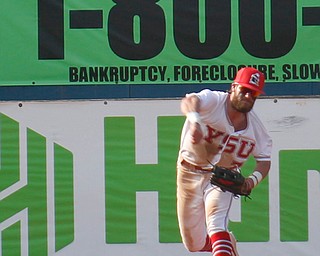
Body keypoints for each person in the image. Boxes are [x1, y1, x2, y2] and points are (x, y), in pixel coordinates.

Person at [176, 67, 272, 256]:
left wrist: (251, 181)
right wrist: (195, 121)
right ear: (233, 87)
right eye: (244, 89)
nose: (248, 96)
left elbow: (264, 160)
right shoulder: (215, 101)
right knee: (194, 244)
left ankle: (223, 243)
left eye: (253, 93)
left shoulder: (255, 127)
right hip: (189, 172)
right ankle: (228, 244)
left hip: (221, 179)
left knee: (216, 223)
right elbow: (190, 101)